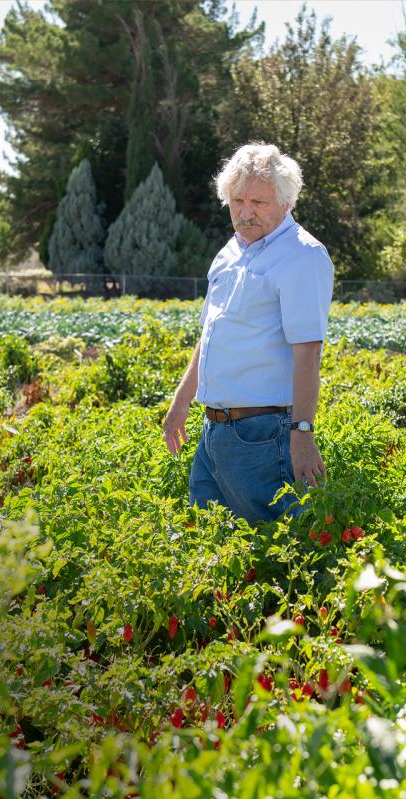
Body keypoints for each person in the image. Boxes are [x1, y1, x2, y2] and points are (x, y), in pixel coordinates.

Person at [161, 142, 334, 523]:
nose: (245, 212)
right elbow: (210, 335)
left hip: (261, 433)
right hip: (214, 430)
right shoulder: (229, 253)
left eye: (258, 202)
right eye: (237, 201)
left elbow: (308, 353)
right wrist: (181, 402)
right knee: (209, 546)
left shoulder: (302, 257)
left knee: (277, 552)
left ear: (285, 202)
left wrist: (302, 433)